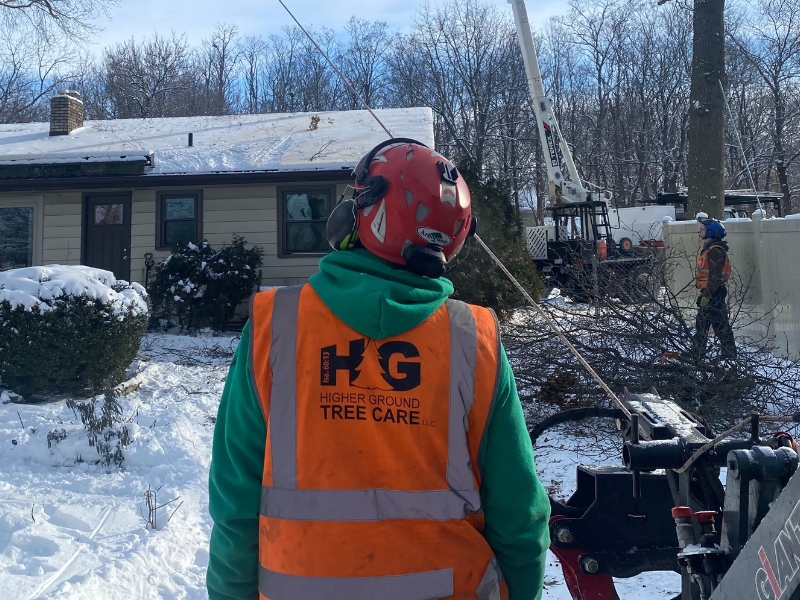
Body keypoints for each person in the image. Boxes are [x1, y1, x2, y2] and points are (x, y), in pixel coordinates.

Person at [207, 138, 551, 600]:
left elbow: (235, 501)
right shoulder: (474, 340)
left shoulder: (275, 325)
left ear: (360, 215)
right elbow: (519, 513)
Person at [693, 216, 736, 360]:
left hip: (714, 293)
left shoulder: (715, 251)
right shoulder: (710, 249)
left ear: (711, 232)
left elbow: (714, 277)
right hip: (710, 292)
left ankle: (729, 355)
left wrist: (707, 295)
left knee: (720, 325)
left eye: (704, 228)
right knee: (702, 324)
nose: (701, 230)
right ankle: (697, 352)